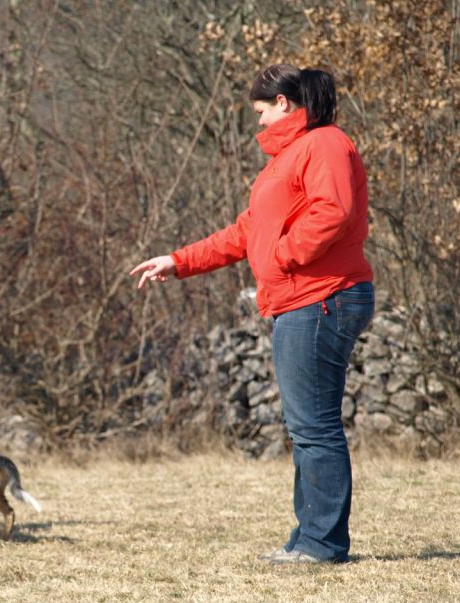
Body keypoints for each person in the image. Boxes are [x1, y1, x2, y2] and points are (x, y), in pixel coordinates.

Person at [130, 64, 374, 565]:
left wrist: (283, 256)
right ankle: (309, 538)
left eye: (260, 112)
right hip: (303, 298)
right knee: (306, 426)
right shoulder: (286, 160)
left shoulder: (323, 143)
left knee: (314, 427)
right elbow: (246, 233)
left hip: (320, 296)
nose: (258, 123)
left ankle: (321, 545)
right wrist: (178, 261)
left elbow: (334, 212)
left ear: (284, 103)